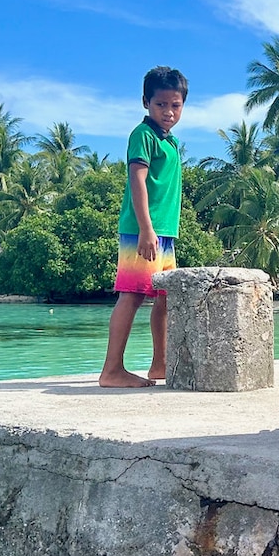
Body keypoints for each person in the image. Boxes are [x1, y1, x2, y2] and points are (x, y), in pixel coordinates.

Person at [99, 66, 187, 388]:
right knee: (132, 296)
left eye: (175, 105)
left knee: (165, 297)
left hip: (164, 233)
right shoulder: (143, 136)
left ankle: (160, 365)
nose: (168, 111)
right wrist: (146, 229)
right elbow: (137, 182)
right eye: (161, 104)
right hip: (143, 231)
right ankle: (111, 370)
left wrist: (160, 231)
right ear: (146, 102)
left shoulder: (171, 142)